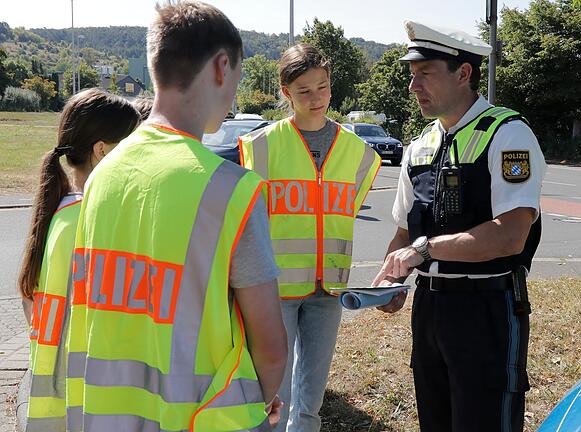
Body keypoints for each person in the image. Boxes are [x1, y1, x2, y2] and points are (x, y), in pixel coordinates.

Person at [64, 2, 287, 431]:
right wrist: (262, 400)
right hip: (204, 419)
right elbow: (271, 346)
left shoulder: (100, 177)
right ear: (222, 67)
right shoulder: (232, 190)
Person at [372, 21, 546, 432]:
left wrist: (426, 249)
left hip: (486, 308)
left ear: (463, 73)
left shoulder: (508, 134)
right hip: (430, 309)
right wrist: (389, 280)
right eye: (412, 76)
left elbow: (510, 233)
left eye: (425, 74)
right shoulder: (418, 146)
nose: (414, 86)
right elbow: (402, 231)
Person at [239, 43, 381, 432]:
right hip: (275, 288)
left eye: (323, 87)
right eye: (304, 91)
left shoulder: (359, 152)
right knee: (273, 396)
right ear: (285, 93)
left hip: (329, 290)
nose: (316, 98)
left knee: (311, 401)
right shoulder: (261, 147)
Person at [16, 88, 140, 432]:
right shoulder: (94, 221)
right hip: (87, 402)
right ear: (101, 151)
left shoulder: (61, 212)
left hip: (58, 404)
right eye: (131, 147)